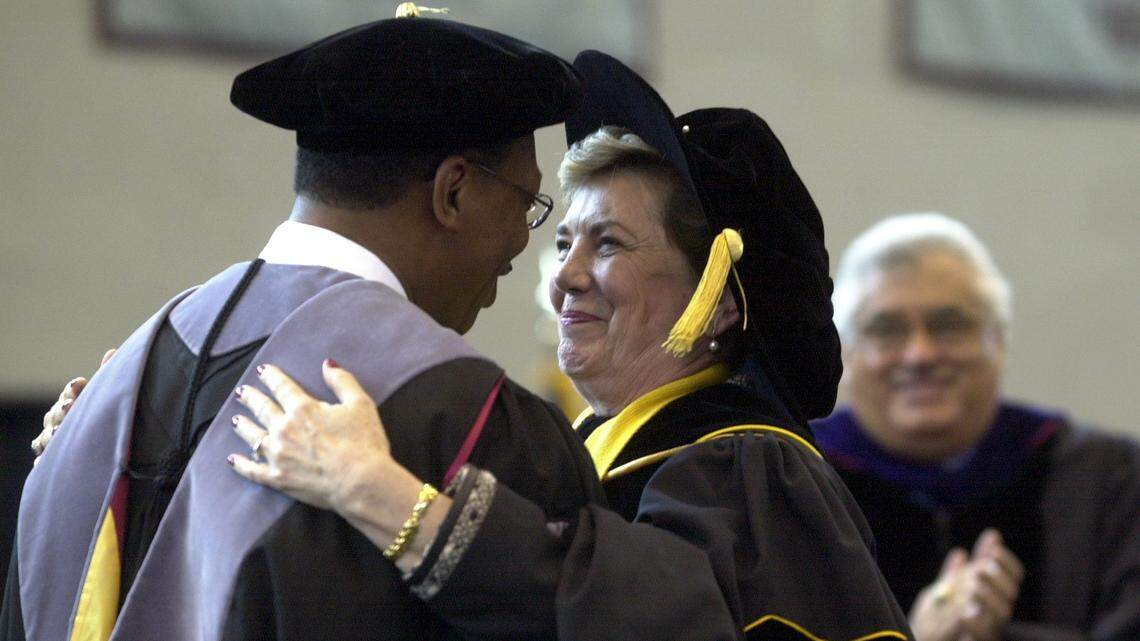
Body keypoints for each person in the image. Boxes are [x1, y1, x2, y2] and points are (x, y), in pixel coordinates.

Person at [222, 51, 912, 640]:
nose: (565, 278)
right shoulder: (577, 447)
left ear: (721, 301)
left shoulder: (749, 467)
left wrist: (382, 494)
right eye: (562, 243)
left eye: (608, 243)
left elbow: (651, 621)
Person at [1, 12, 607, 641]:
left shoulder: (105, 399)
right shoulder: (464, 416)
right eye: (525, 204)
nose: (520, 241)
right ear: (452, 193)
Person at [812, 213, 1140, 641]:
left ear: (998, 340)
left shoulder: (1107, 480)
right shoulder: (793, 484)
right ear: (847, 353)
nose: (920, 354)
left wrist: (992, 632)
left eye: (949, 326)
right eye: (886, 330)